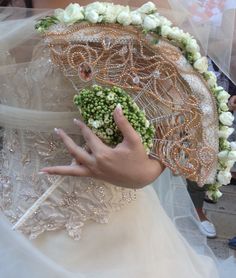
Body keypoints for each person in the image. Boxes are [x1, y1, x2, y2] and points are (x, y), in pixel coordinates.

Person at [0, 1, 235, 278]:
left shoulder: (135, 6)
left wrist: (146, 170)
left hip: (101, 224)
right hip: (9, 202)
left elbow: (173, 109)